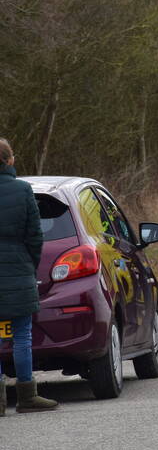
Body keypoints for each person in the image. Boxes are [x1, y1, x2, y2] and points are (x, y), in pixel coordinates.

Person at [0, 138, 57, 414]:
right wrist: (28, 264)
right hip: (19, 269)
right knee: (22, 335)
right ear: (10, 160)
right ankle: (26, 396)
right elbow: (35, 236)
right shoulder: (23, 191)